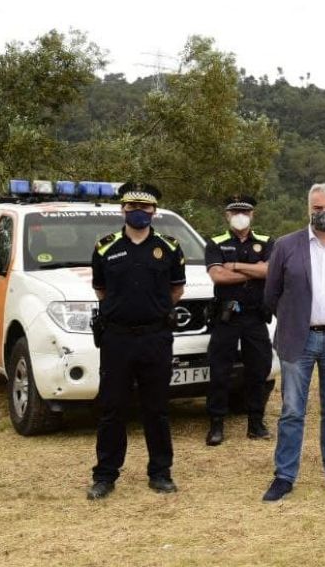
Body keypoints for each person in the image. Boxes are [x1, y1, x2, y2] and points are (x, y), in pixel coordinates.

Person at [260, 183, 325, 502]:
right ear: (308, 209)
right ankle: (284, 476)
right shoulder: (285, 245)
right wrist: (293, 319)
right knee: (292, 410)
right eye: (317, 208)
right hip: (298, 338)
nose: (323, 214)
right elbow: (271, 293)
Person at [86, 182, 187, 500]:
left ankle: (160, 473)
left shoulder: (169, 247)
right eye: (132, 207)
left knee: (156, 409)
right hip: (117, 339)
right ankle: (105, 476)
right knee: (112, 408)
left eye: (145, 208)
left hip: (155, 337)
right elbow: (101, 291)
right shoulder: (105, 247)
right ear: (123, 210)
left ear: (154, 211)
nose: (139, 213)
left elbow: (176, 290)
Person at [204, 195, 274, 446]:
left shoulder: (266, 242)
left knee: (259, 369)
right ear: (227, 215)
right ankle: (216, 425)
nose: (240, 215)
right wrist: (253, 272)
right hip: (226, 316)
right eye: (235, 212)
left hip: (256, 316)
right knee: (220, 371)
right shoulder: (215, 242)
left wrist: (233, 265)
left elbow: (270, 271)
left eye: (244, 211)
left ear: (252, 214)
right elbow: (218, 276)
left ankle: (256, 423)